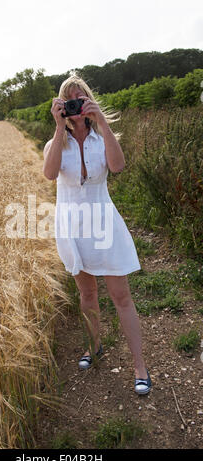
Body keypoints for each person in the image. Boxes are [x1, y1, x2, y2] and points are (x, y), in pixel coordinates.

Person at [43, 74, 152, 395]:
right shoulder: (55, 144)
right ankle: (94, 346)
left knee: (121, 297)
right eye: (69, 100)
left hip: (104, 225)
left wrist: (101, 121)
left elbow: (117, 167)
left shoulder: (103, 137)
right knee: (87, 295)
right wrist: (58, 127)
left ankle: (139, 365)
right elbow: (50, 174)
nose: (76, 105)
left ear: (88, 100)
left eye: (80, 98)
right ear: (61, 106)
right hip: (73, 227)